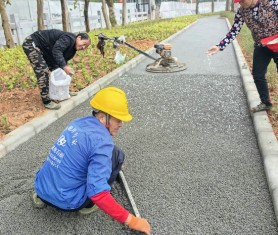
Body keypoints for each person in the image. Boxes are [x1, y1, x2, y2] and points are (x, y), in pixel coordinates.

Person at [31, 87, 151, 235]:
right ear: (102, 118)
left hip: (41, 188)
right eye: (118, 119)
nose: (121, 124)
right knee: (118, 155)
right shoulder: (103, 143)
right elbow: (98, 194)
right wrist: (133, 221)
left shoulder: (77, 123)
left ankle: (43, 197)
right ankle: (86, 206)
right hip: (68, 202)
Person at [207, 0, 278, 112]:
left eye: (242, 1)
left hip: (277, 43)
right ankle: (265, 103)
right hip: (261, 46)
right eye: (238, 2)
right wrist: (220, 46)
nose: (241, 4)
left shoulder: (271, 3)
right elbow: (234, 30)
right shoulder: (242, 11)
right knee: (258, 75)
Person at [22, 29, 91, 110]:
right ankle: (46, 101)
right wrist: (65, 67)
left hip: (46, 49)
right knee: (43, 70)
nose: (83, 47)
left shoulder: (72, 50)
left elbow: (61, 60)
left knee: (58, 70)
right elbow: (57, 50)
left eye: (85, 47)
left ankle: (63, 92)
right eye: (84, 44)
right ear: (79, 38)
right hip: (33, 43)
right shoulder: (69, 38)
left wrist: (63, 68)